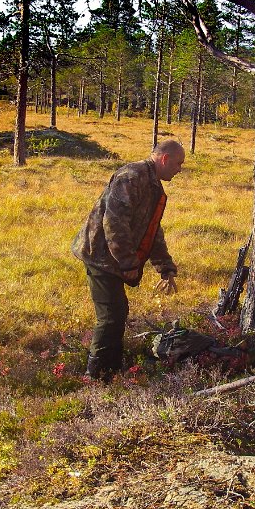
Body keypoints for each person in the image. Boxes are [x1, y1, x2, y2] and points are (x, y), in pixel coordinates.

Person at [71, 139, 184, 381]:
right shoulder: (131, 177)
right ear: (164, 159)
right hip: (100, 255)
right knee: (111, 314)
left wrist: (165, 266)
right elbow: (114, 222)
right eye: (178, 163)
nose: (179, 169)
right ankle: (96, 375)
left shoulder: (153, 187)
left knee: (117, 312)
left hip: (113, 258)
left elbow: (152, 230)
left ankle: (111, 369)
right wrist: (128, 263)